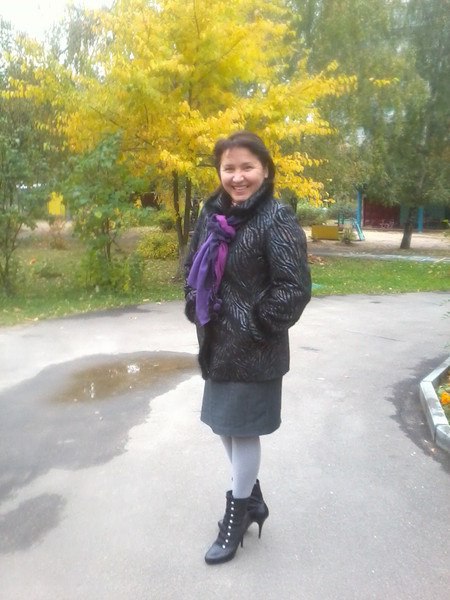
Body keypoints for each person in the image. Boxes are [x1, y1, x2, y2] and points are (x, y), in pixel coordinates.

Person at [184, 131, 311, 565]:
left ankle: (236, 515)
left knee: (243, 431)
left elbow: (293, 288)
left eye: (247, 167)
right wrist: (195, 301)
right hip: (217, 344)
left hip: (255, 349)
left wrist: (256, 325)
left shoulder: (276, 218)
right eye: (229, 168)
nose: (238, 177)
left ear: (265, 170)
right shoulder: (212, 214)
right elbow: (192, 264)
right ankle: (252, 499)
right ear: (220, 172)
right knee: (224, 425)